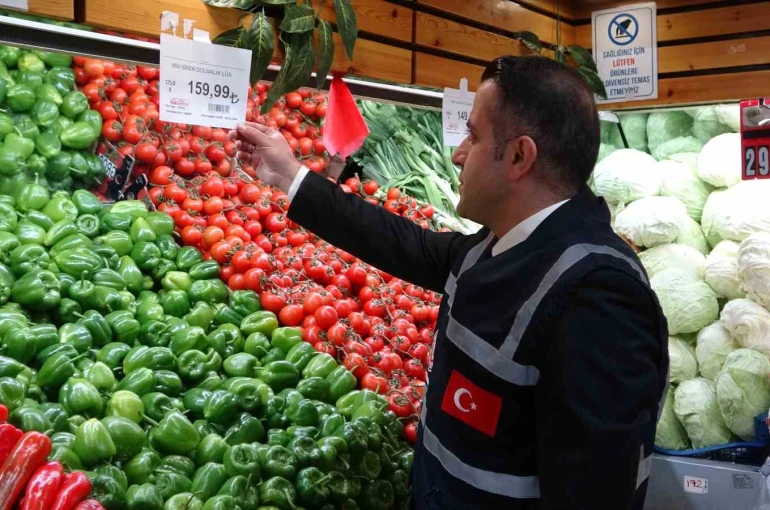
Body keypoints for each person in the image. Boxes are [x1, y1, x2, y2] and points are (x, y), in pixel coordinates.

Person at [230, 56, 669, 510]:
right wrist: (288, 174)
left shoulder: (599, 296)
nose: (458, 153)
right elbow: (408, 245)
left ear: (519, 156)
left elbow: (596, 494)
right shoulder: (502, 241)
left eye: (473, 135)